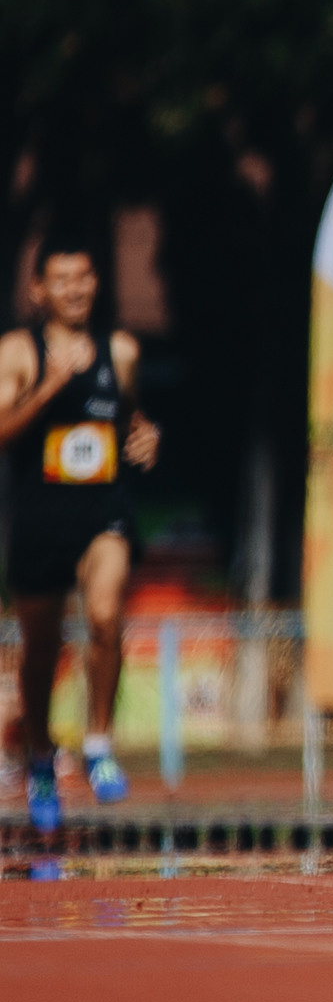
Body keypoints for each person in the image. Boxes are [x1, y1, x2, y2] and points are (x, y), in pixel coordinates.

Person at [0, 234, 160, 831]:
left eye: (85, 276)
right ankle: (40, 756)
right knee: (41, 650)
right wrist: (47, 389)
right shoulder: (17, 352)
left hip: (103, 511)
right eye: (62, 279)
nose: (76, 289)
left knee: (103, 614)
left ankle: (98, 742)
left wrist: (146, 436)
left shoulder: (118, 350)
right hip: (40, 515)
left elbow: (129, 416)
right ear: (39, 289)